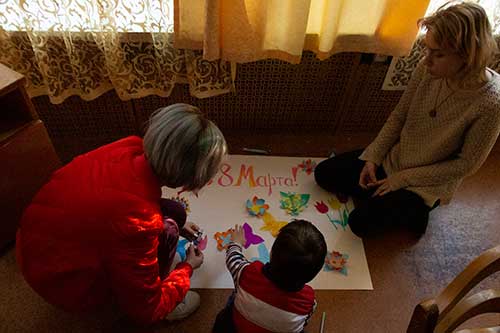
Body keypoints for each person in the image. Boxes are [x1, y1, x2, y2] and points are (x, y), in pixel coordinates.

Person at [16, 103, 227, 324]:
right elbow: (146, 309)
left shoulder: (128, 147)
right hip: (60, 280)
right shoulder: (139, 223)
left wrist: (176, 221)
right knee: (169, 231)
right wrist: (186, 269)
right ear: (189, 178)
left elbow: (122, 197)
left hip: (36, 243)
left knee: (175, 213)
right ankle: (169, 304)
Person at [315, 2, 500, 237]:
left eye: (439, 53)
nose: (427, 59)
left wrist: (402, 179)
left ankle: (416, 212)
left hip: (425, 184)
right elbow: (399, 115)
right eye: (427, 49)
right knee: (324, 174)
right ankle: (382, 196)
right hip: (396, 159)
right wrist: (373, 157)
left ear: (467, 55)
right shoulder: (426, 68)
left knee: (359, 223)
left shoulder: (491, 102)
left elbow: (466, 165)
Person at [213, 220, 327, 333]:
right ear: (313, 275)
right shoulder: (308, 302)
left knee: (233, 300)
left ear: (271, 252)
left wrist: (236, 243)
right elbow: (303, 323)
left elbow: (233, 259)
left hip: (236, 328)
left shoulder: (247, 274)